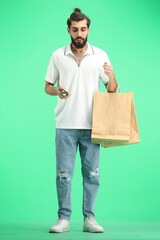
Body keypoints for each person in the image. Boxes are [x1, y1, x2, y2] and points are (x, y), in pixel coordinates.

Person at [44, 8, 117, 233]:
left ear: (88, 30)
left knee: (92, 174)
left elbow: (112, 90)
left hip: (92, 125)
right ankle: (63, 218)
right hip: (65, 124)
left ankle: (89, 219)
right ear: (68, 30)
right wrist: (58, 91)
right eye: (75, 29)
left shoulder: (100, 55)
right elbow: (47, 86)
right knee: (63, 175)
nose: (79, 33)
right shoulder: (57, 55)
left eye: (83, 29)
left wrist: (112, 76)